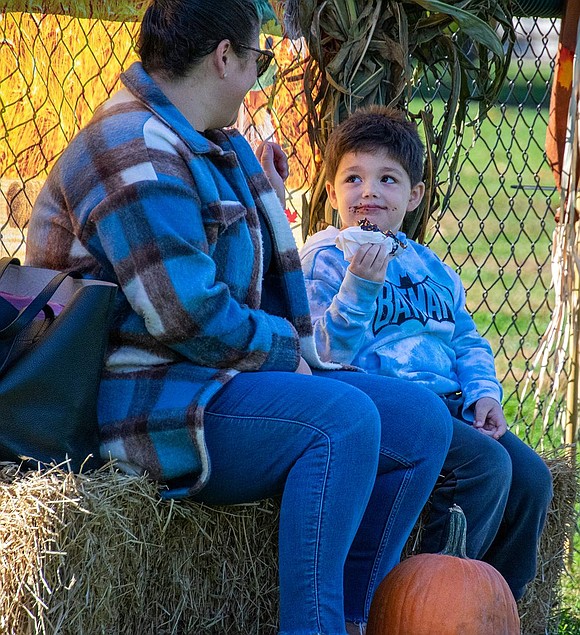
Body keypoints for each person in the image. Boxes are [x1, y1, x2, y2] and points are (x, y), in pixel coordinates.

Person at [24, 3, 452, 633]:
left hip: (213, 376)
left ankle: (357, 618)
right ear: (225, 57)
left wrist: (269, 203)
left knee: (420, 424)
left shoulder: (205, 142)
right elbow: (186, 315)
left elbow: (247, 277)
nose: (258, 75)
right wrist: (292, 353)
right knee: (343, 422)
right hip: (145, 398)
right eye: (259, 59)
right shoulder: (128, 150)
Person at [300, 105, 553, 603]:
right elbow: (324, 355)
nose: (368, 191)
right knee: (484, 467)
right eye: (353, 178)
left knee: (531, 478)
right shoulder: (325, 257)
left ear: (413, 196)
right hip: (385, 409)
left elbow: (466, 339)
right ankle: (431, 605)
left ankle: (496, 606)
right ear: (332, 192)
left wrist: (484, 394)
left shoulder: (429, 266)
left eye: (387, 179)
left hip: (450, 404)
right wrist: (359, 288)